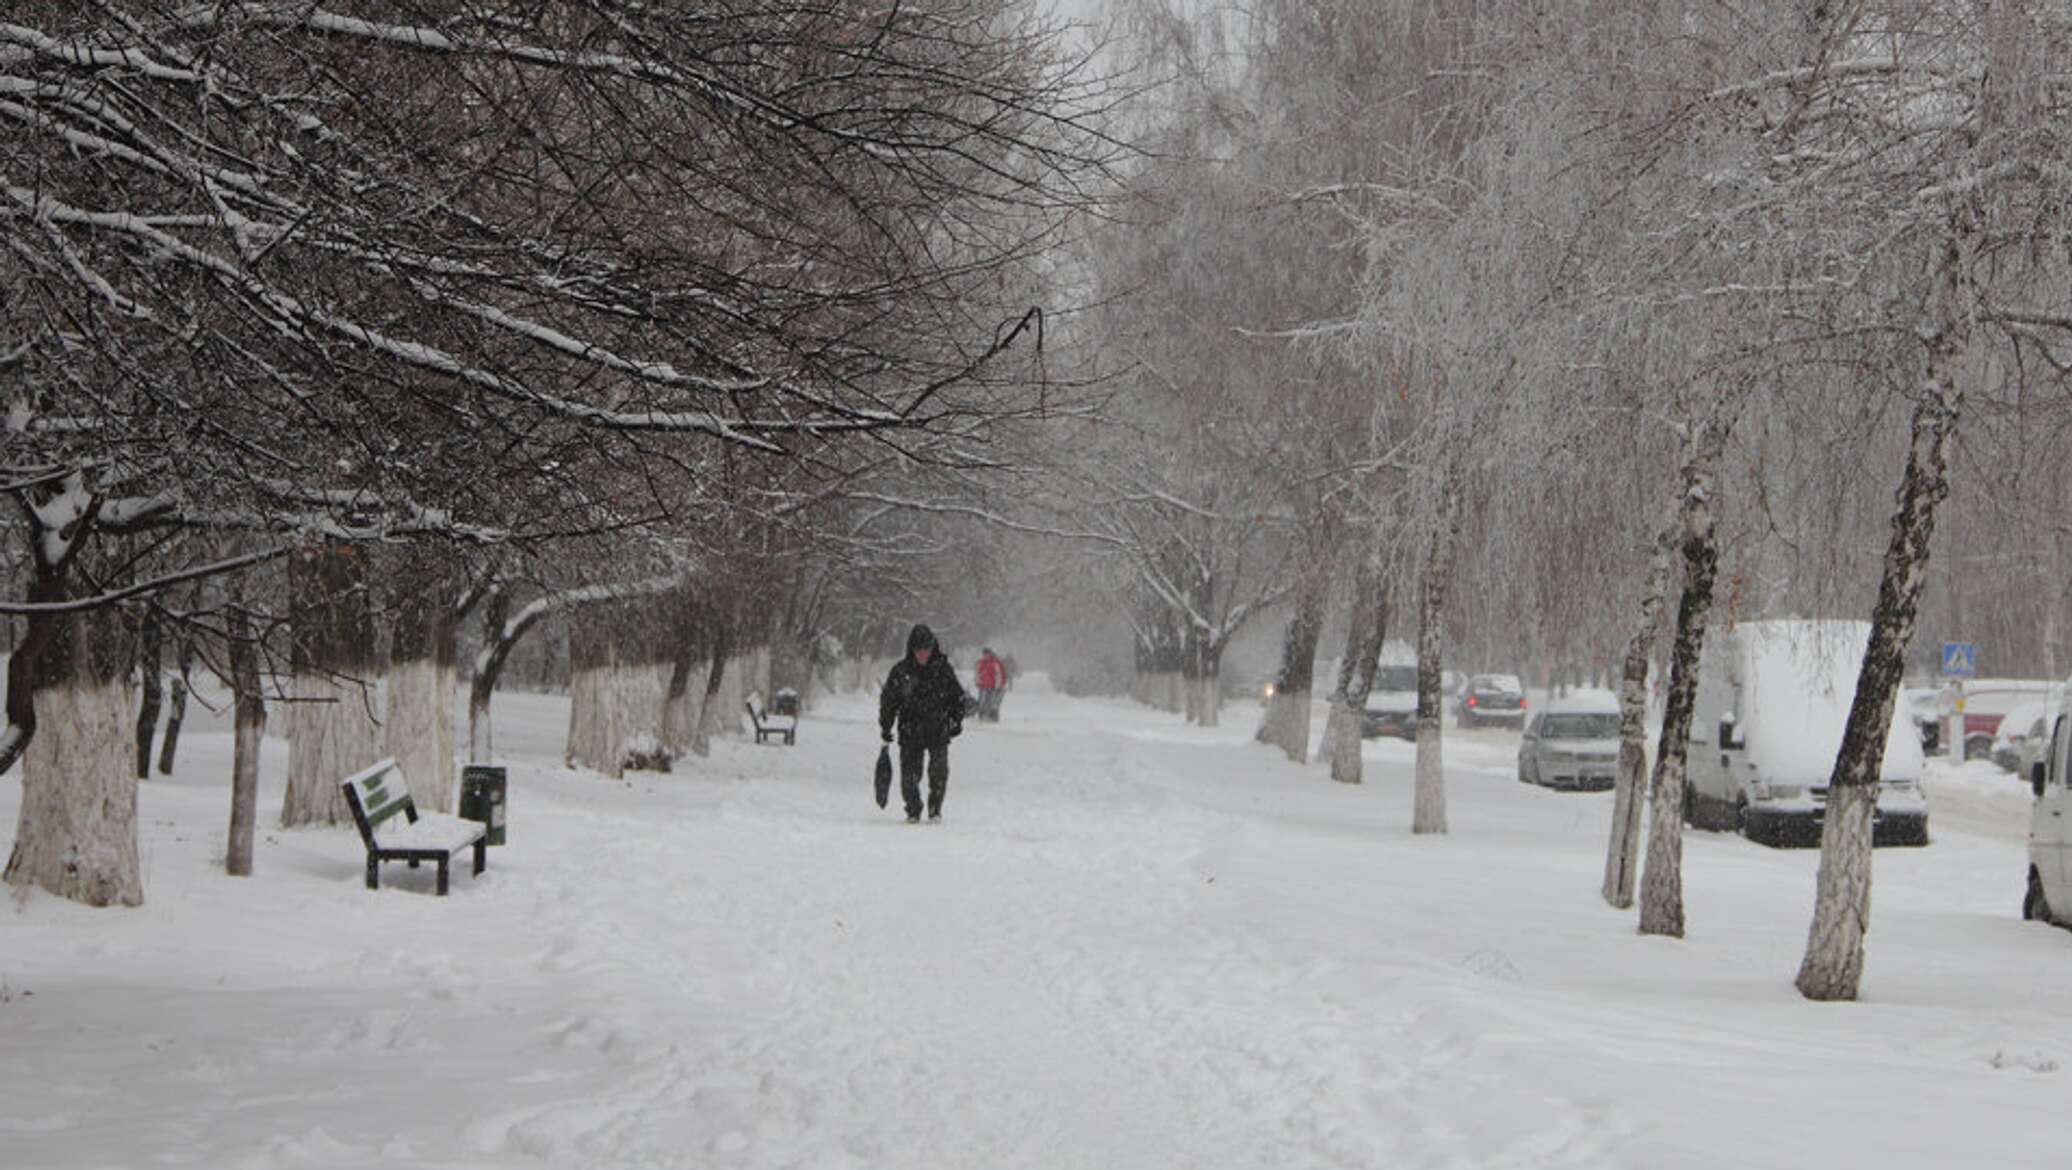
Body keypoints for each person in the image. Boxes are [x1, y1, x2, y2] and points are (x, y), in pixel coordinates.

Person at [879, 624, 968, 822]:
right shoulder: (901, 671)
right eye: (918, 650)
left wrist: (956, 720)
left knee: (939, 773)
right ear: (911, 650)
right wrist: (886, 726)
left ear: (932, 648)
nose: (922, 654)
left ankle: (935, 809)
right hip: (910, 730)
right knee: (909, 775)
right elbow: (889, 701)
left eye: (925, 650)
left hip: (938, 729)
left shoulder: (943, 670)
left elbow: (957, 697)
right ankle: (913, 808)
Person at [974, 646, 1006, 722]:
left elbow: (998, 674)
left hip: (992, 686)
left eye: (987, 654)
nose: (985, 656)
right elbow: (977, 673)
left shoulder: (994, 663)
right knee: (981, 701)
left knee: (991, 702)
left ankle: (990, 716)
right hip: (982, 686)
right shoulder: (980, 662)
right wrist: (977, 681)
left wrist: (998, 684)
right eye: (984, 654)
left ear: (990, 654)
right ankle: (982, 715)